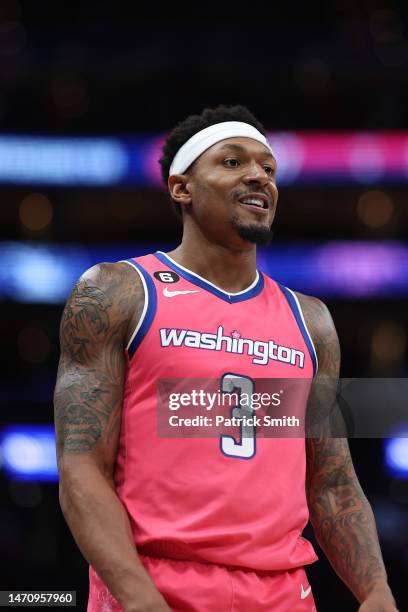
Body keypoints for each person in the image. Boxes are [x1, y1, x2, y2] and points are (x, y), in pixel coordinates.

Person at [54, 105, 398, 612]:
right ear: (181, 187)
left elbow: (332, 481)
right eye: (233, 162)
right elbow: (81, 467)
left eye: (268, 167)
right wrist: (139, 597)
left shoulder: (312, 320)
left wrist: (376, 591)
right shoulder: (117, 291)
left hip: (283, 591)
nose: (259, 175)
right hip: (155, 584)